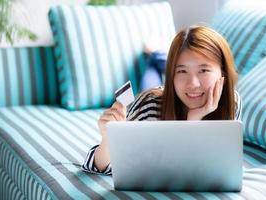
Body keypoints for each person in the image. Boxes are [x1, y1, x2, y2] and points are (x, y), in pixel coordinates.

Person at [82, 25, 242, 175]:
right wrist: (109, 139)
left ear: (223, 73)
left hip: (174, 88)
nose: (193, 83)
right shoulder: (149, 105)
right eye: (181, 71)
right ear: (172, 75)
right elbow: (100, 165)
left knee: (164, 66)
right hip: (160, 95)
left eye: (204, 70)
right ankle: (154, 54)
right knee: (151, 75)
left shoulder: (230, 100)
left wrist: (194, 121)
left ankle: (156, 54)